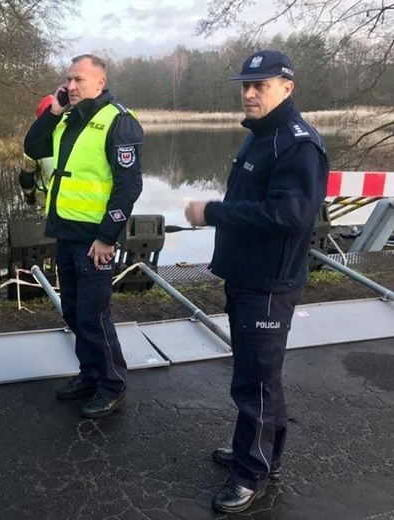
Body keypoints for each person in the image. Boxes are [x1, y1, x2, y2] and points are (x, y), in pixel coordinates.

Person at [184, 50, 328, 514]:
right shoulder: (261, 137)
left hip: (268, 283)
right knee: (259, 377)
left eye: (260, 85)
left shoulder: (297, 145)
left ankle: (252, 472)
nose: (249, 92)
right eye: (245, 84)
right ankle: (260, 453)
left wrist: (213, 213)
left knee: (256, 383)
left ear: (287, 87)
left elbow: (290, 215)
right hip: (247, 276)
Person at [23, 54, 143, 419]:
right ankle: (90, 375)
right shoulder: (69, 118)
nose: (72, 86)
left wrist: (108, 237)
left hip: (96, 239)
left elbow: (129, 186)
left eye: (78, 80)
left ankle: (112, 385)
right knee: (74, 311)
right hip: (67, 232)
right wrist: (54, 110)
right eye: (68, 80)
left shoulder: (118, 122)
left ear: (99, 83)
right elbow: (33, 147)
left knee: (94, 314)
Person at [19, 94, 55, 216]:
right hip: (76, 203)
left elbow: (26, 176)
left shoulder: (35, 141)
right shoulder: (74, 135)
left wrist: (29, 197)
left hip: (47, 201)